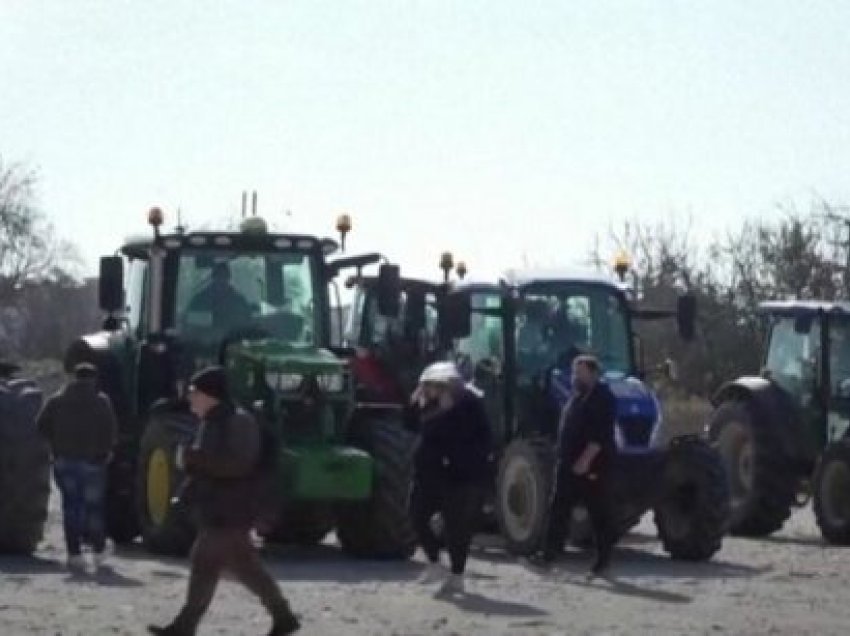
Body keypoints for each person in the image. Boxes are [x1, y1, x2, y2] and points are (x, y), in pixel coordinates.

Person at [148, 366, 299, 636]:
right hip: (221, 506)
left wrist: (194, 459)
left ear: (210, 395)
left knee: (205, 560)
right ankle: (283, 615)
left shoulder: (238, 422)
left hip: (233, 507)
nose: (190, 398)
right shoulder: (213, 420)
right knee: (244, 566)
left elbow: (238, 465)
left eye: (194, 392)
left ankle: (185, 626)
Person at [407, 361, 493, 595]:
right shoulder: (431, 405)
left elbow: (469, 439)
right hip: (428, 475)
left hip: (456, 477)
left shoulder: (468, 405)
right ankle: (434, 562)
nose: (428, 391)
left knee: (456, 528)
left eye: (431, 387)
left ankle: (456, 574)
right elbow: (412, 425)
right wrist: (417, 404)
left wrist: (444, 413)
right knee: (416, 517)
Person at [533, 354, 617, 575]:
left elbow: (601, 435)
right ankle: (549, 555)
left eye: (579, 372)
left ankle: (603, 561)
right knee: (558, 508)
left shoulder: (603, 398)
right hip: (568, 463)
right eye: (574, 372)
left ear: (593, 373)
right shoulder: (577, 397)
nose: (574, 377)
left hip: (591, 465)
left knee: (599, 512)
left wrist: (585, 460)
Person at [36, 362, 117, 572]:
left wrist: (55, 443)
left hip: (64, 460)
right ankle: (98, 550)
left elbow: (41, 425)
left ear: (74, 377)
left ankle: (74, 554)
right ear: (94, 378)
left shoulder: (57, 400)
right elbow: (110, 430)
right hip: (93, 462)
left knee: (71, 506)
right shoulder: (101, 401)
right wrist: (105, 451)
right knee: (93, 508)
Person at [188, 262, 253, 330]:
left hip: (233, 339)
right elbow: (189, 325)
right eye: (218, 276)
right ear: (213, 277)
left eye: (224, 276)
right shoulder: (199, 301)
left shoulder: (240, 302)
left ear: (229, 278)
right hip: (204, 339)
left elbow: (247, 325)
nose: (221, 280)